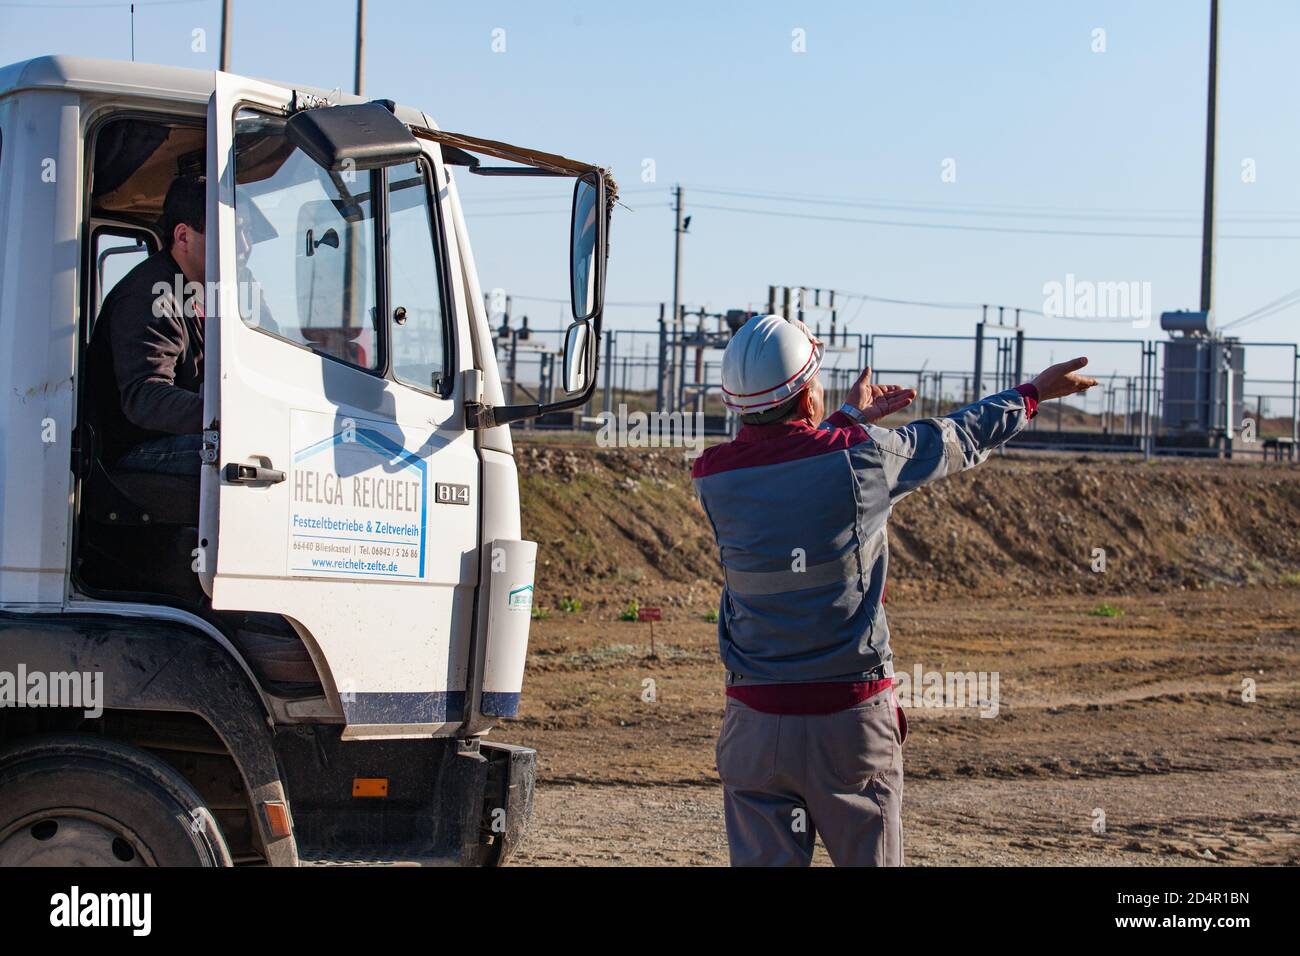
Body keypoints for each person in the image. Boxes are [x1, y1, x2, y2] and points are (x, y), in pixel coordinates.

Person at [692, 314, 1097, 866]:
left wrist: (847, 418)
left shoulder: (713, 477)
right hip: (849, 724)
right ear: (808, 396)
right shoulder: (863, 457)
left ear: (736, 402)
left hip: (756, 728)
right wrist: (1032, 394)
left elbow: (787, 459)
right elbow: (958, 436)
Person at [91, 174, 207, 477]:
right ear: (183, 237)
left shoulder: (198, 292)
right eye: (231, 235)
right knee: (244, 455)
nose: (244, 246)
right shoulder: (149, 293)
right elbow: (145, 397)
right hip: (133, 451)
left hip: (167, 440)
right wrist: (225, 414)